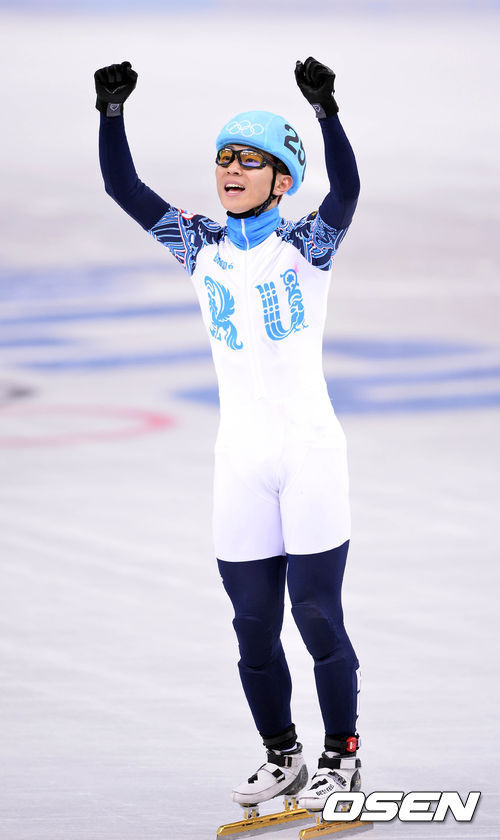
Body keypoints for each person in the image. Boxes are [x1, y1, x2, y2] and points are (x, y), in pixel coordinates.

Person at [94, 56, 361, 812]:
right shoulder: (198, 244)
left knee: (316, 614)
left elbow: (347, 191)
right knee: (252, 625)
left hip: (309, 454)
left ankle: (343, 756)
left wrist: (327, 112)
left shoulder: (308, 246)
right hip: (239, 460)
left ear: (281, 180)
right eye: (223, 159)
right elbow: (122, 188)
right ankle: (284, 754)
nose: (231, 170)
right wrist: (111, 114)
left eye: (249, 160)